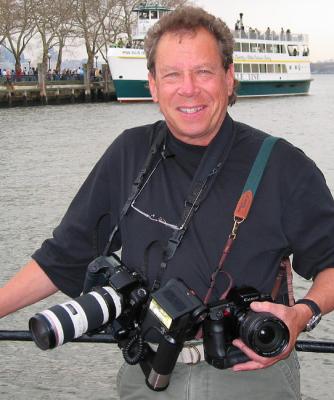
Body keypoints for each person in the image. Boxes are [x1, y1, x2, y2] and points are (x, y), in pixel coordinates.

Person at [1, 6, 334, 400]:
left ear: (229, 79)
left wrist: (303, 315)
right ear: (153, 85)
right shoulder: (128, 152)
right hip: (146, 373)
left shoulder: (283, 165)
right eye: (172, 74)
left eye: (204, 71)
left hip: (249, 377)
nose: (188, 88)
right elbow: (64, 257)